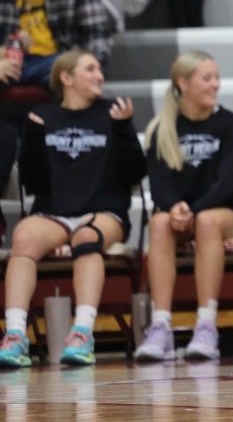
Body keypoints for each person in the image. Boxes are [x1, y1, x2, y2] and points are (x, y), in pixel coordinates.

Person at [0, 50, 144, 368]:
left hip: (103, 211)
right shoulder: (42, 117)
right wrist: (35, 139)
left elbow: (135, 175)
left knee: (85, 239)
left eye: (99, 70)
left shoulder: (113, 113)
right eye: (90, 69)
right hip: (55, 212)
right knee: (23, 237)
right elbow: (35, 183)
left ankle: (82, 332)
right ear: (66, 78)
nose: (99, 75)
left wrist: (124, 130)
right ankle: (14, 335)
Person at [134, 52, 233, 361]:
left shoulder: (228, 122)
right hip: (182, 213)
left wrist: (194, 210)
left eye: (217, 77)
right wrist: (174, 208)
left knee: (207, 223)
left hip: (226, 211)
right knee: (159, 223)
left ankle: (206, 325)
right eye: (207, 78)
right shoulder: (162, 127)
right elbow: (159, 184)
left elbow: (228, 182)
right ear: (183, 83)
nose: (215, 84)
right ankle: (161, 325)